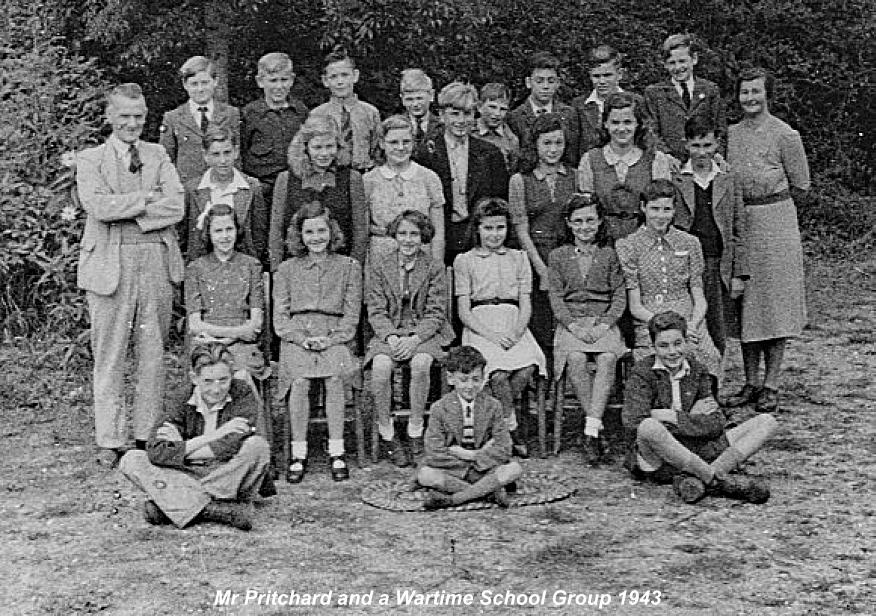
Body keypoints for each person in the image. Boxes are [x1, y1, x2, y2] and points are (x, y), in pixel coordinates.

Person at [76, 83, 185, 467]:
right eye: (124, 116)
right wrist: (146, 201)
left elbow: (176, 206)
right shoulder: (91, 159)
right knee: (110, 353)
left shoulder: (158, 154)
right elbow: (98, 207)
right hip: (108, 262)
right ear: (109, 116)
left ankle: (145, 434)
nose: (132, 123)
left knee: (153, 351)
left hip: (155, 259)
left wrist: (131, 210)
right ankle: (110, 437)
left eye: (139, 116)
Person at [724, 68, 810, 413]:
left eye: (756, 92)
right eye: (744, 93)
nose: (750, 99)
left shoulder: (785, 134)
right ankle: (750, 381)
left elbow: (801, 183)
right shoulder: (730, 134)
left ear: (767, 94)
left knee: (774, 305)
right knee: (748, 306)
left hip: (776, 223)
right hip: (742, 223)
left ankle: (771, 384)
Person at [622, 312, 777, 504]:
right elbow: (633, 422)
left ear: (686, 342)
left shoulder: (698, 370)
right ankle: (717, 479)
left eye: (677, 343)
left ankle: (700, 478)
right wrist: (691, 417)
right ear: (653, 346)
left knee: (767, 422)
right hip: (663, 459)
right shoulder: (642, 373)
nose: (672, 351)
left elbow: (717, 422)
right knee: (648, 427)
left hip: (702, 449)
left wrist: (672, 416)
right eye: (663, 345)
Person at [119, 342, 271, 530]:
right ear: (194, 378)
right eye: (208, 381)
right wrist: (216, 435)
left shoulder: (242, 392)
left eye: (224, 380)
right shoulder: (179, 398)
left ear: (232, 375)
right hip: (186, 472)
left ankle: (175, 504)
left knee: (257, 446)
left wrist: (180, 447)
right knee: (132, 459)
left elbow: (228, 448)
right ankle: (214, 509)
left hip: (226, 472)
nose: (217, 389)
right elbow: (156, 451)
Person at [273, 202, 362, 483]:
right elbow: (280, 319)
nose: (316, 238)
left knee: (334, 377)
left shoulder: (349, 266)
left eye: (321, 230)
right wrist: (301, 338)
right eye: (309, 232)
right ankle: (298, 452)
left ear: (331, 232)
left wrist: (332, 338)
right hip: (297, 337)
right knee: (299, 380)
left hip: (335, 334)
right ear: (300, 236)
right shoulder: (286, 269)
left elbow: (351, 315)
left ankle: (337, 450)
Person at [454, 198, 547, 457]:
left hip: (513, 319)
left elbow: (525, 302)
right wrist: (492, 335)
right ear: (478, 229)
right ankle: (511, 429)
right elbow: (463, 311)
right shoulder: (465, 260)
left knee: (529, 364)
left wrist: (517, 331)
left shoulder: (519, 258)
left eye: (500, 228)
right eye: (488, 228)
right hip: (480, 323)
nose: (495, 234)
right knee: (497, 375)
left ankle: (495, 417)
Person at [365, 210, 455, 467]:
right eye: (403, 233)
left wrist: (415, 339)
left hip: (424, 333)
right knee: (381, 368)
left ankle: (416, 430)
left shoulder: (434, 266)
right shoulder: (381, 265)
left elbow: (436, 313)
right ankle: (388, 433)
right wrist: (391, 337)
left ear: (423, 236)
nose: (408, 240)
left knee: (421, 363)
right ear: (395, 235)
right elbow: (376, 310)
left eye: (414, 234)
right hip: (390, 332)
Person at [615, 180, 721, 383]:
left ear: (674, 211)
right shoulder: (628, 245)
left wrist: (692, 324)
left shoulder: (690, 242)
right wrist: (669, 326)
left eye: (666, 209)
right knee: (655, 360)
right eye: (654, 209)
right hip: (650, 317)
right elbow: (635, 306)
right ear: (643, 208)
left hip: (688, 315)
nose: (660, 215)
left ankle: (703, 408)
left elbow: (698, 297)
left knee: (708, 355)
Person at [548, 193, 627, 465]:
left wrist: (605, 323)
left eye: (590, 220)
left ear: (600, 221)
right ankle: (596, 430)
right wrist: (573, 326)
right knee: (576, 358)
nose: (584, 227)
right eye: (578, 221)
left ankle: (590, 429)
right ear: (569, 224)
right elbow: (556, 298)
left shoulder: (609, 254)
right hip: (571, 323)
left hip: (604, 321)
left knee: (607, 358)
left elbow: (619, 296)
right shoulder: (558, 256)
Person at [672, 116, 748, 357]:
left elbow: (738, 229)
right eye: (696, 146)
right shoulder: (676, 179)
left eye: (708, 146)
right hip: (685, 264)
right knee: (686, 325)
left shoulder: (727, 179)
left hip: (716, 263)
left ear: (717, 145)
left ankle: (714, 388)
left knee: (717, 327)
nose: (702, 152)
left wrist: (738, 274)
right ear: (686, 145)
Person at [413, 82, 509, 266]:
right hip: (441, 236)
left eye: (467, 114)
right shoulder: (427, 152)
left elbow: (499, 200)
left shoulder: (490, 153)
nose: (461, 121)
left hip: (477, 237)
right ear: (441, 115)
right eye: (454, 114)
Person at [417, 345, 523, 510]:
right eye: (463, 380)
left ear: (483, 379)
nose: (470, 386)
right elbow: (434, 451)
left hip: (484, 465)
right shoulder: (440, 408)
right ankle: (489, 492)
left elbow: (504, 446)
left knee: (514, 469)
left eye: (475, 379)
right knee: (426, 475)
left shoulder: (493, 405)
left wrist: (473, 456)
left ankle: (455, 499)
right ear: (451, 379)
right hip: (453, 467)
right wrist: (467, 468)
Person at [508, 112, 577, 358]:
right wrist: (540, 268)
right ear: (535, 144)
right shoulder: (520, 180)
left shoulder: (574, 176)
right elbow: (520, 228)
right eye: (547, 143)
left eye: (558, 143)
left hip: (567, 253)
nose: (553, 149)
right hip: (533, 254)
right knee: (539, 316)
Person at [185, 203, 268, 392]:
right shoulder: (196, 269)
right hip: (206, 345)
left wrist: (224, 337)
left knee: (241, 377)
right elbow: (195, 325)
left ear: (237, 231)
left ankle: (251, 421)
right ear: (209, 234)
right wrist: (234, 334)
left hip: (241, 346)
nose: (224, 236)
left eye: (229, 229)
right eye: (218, 231)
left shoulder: (251, 266)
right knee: (209, 374)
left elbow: (255, 324)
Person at [270, 113, 368, 271]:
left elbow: (360, 233)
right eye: (317, 147)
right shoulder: (286, 179)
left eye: (330, 146)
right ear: (305, 148)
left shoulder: (352, 179)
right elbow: (276, 232)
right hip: (296, 268)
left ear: (338, 146)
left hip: (340, 268)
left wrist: (354, 271)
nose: (324, 154)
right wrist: (277, 272)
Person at [577, 92, 674, 242]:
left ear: (638, 124)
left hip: (645, 241)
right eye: (615, 122)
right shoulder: (590, 159)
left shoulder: (656, 159)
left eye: (628, 122)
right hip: (602, 241)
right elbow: (585, 210)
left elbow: (662, 209)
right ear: (605, 124)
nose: (621, 129)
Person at [182, 125, 268, 266]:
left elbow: (259, 235)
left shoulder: (251, 187)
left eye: (227, 153)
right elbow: (184, 235)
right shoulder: (192, 189)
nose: (223, 160)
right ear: (205, 155)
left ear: (236, 152)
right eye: (216, 154)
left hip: (241, 265)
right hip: (202, 266)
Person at [363, 115, 445, 262]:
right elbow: (362, 231)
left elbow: (438, 233)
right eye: (393, 142)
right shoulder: (369, 180)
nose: (400, 148)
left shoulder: (429, 178)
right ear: (382, 143)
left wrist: (436, 266)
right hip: (381, 257)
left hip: (420, 256)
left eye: (406, 142)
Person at [241, 52, 309, 221]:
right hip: (263, 189)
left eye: (284, 80)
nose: (279, 86)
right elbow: (240, 152)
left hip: (295, 187)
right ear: (260, 81)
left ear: (292, 80)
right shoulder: (249, 114)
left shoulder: (301, 112)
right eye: (273, 81)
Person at [644, 33, 727, 162]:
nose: (678, 68)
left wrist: (717, 154)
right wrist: (666, 155)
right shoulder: (655, 93)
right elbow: (651, 131)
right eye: (672, 63)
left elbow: (720, 128)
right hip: (671, 163)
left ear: (694, 59)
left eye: (682, 61)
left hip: (705, 159)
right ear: (665, 65)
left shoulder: (710, 90)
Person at [159, 56, 241, 186]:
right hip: (188, 188)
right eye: (194, 84)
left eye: (205, 82)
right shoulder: (173, 118)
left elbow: (237, 156)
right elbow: (166, 159)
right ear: (185, 85)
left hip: (223, 184)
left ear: (215, 81)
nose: (200, 89)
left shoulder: (230, 114)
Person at [311, 48, 381, 172]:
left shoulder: (370, 112)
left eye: (345, 75)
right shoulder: (317, 115)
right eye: (333, 77)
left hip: (363, 175)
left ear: (355, 76)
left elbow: (377, 151)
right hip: (331, 177)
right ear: (325, 81)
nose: (340, 82)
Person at [507, 51, 580, 167]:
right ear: (528, 83)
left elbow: (572, 155)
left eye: (550, 81)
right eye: (539, 81)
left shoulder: (568, 114)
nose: (545, 86)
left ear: (558, 83)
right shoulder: (515, 117)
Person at [571, 44, 632, 156]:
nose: (602, 81)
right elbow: (574, 147)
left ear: (620, 74)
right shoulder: (579, 106)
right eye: (596, 76)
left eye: (607, 75)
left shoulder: (634, 102)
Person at [474, 82, 520, 174]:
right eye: (492, 107)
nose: (497, 114)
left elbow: (512, 172)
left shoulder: (511, 140)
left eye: (503, 109)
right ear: (479, 107)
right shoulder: (467, 131)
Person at [399, 68, 439, 149]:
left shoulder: (443, 126)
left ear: (431, 95)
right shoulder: (395, 127)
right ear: (402, 99)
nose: (415, 104)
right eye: (409, 99)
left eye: (419, 98)